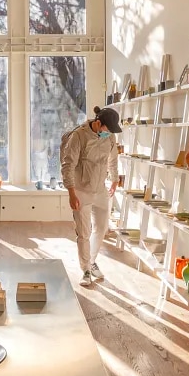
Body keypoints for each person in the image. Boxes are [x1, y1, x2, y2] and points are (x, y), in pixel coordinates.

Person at [60, 106, 121, 286]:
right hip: (80, 190)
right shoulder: (78, 136)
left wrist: (115, 179)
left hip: (100, 189)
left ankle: (92, 261)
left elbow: (113, 159)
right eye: (107, 129)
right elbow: (68, 165)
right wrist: (71, 192)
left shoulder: (109, 136)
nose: (108, 133)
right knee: (83, 233)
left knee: (101, 228)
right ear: (97, 123)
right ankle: (85, 270)